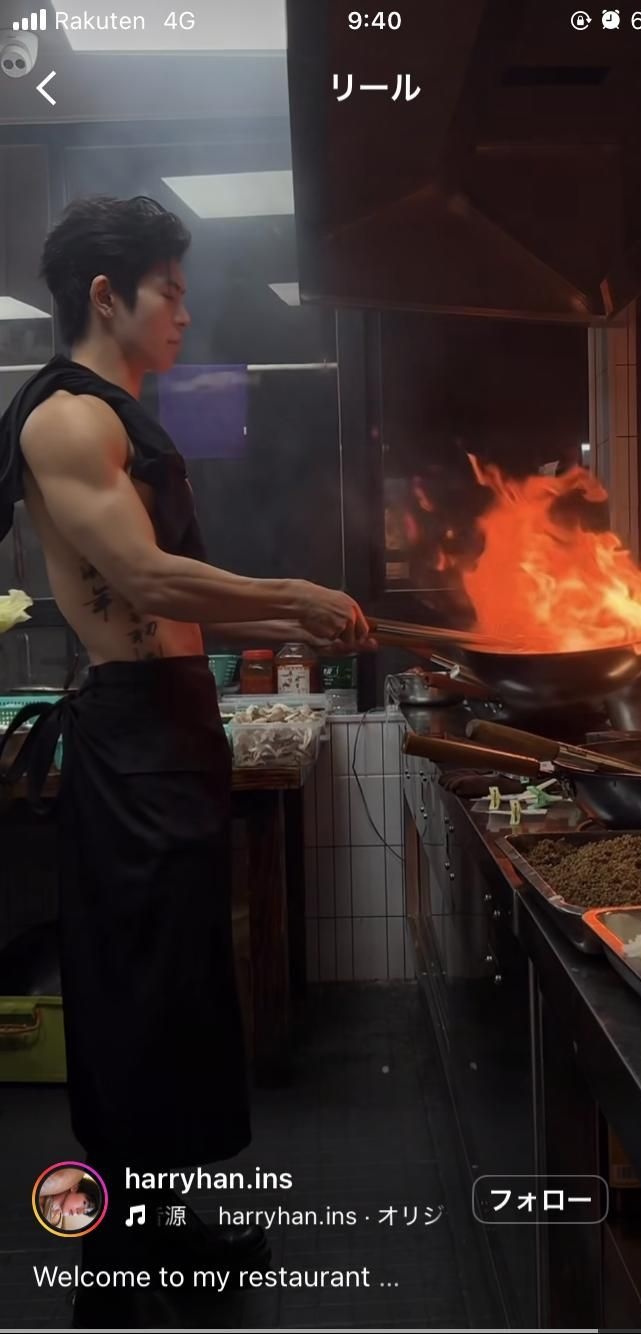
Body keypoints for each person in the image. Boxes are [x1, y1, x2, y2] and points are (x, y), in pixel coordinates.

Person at [0, 196, 371, 1309]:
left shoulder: (121, 415)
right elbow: (147, 578)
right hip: (132, 732)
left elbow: (167, 589)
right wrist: (293, 597)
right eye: (169, 288)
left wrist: (284, 616)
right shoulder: (67, 419)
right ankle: (124, 1269)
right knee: (140, 992)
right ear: (105, 295)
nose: (185, 310)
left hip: (171, 724)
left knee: (183, 987)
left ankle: (171, 1229)